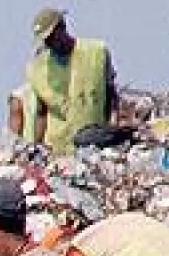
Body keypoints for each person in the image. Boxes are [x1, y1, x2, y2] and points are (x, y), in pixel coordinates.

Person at [26, 8, 117, 154]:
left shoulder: (97, 52)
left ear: (62, 27)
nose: (50, 43)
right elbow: (41, 112)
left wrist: (112, 131)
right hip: (58, 149)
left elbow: (111, 95)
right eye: (46, 40)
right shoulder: (37, 68)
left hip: (93, 145)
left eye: (52, 37)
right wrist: (36, 147)